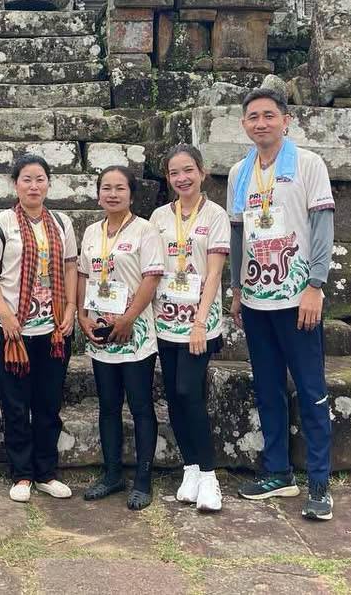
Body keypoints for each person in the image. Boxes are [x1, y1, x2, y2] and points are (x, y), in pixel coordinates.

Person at [227, 88, 336, 522]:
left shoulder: (308, 164)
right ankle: (277, 472)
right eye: (253, 117)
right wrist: (236, 289)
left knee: (311, 390)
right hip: (257, 298)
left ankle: (319, 482)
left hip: (297, 297)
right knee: (267, 387)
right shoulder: (240, 172)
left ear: (286, 120)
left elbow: (322, 227)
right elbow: (238, 233)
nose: (261, 123)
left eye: (269, 115)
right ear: (244, 124)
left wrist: (316, 285)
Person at [0, 154, 78, 503]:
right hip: (13, 331)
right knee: (16, 404)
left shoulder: (62, 223)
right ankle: (21, 473)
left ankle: (46, 472)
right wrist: (4, 314)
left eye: (40, 179)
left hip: (53, 330)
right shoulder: (1, 223)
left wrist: (71, 307)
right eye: (26, 179)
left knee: (48, 403)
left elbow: (70, 267)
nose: (33, 186)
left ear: (49, 183)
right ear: (15, 184)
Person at [78, 166, 163, 510]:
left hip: (135, 332)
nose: (112, 194)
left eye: (120, 188)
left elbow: (151, 278)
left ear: (131, 194)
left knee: (140, 405)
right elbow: (83, 275)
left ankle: (143, 479)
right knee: (108, 405)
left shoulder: (145, 230)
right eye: (106, 188)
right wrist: (82, 316)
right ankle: (112, 473)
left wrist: (129, 318)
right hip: (101, 331)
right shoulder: (91, 232)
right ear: (98, 194)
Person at [149, 144, 229, 512]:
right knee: (174, 396)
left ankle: (210, 476)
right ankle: (191, 468)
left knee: (189, 392)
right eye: (174, 173)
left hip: (199, 324)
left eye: (188, 170)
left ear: (201, 172)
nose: (182, 178)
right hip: (166, 320)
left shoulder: (215, 215)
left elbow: (214, 273)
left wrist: (199, 322)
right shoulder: (158, 217)